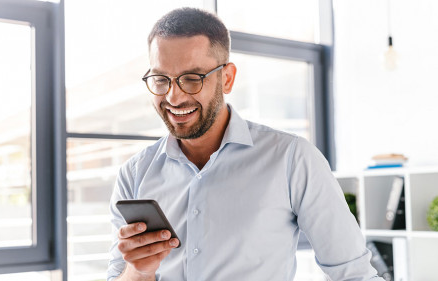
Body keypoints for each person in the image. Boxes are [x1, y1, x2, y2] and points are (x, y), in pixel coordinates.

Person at [107, 7, 383, 281]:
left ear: (226, 78)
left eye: (192, 79)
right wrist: (138, 271)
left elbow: (355, 275)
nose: (174, 97)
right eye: (161, 79)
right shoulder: (134, 174)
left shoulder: (291, 158)